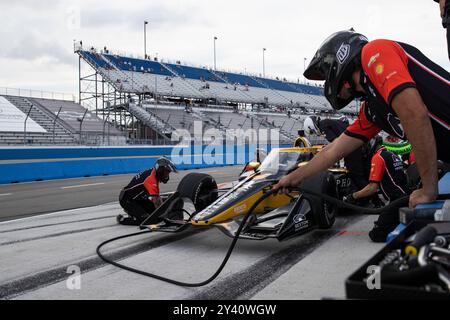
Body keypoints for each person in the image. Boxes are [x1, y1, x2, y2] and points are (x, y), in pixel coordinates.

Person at [274, 29, 450, 209]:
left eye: (326, 76)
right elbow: (333, 151)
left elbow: (414, 114)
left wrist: (428, 189)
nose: (327, 83)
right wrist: (293, 177)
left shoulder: (374, 52)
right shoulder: (372, 109)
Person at [343, 136, 411, 241]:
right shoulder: (391, 154)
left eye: (365, 145)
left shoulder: (378, 157)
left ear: (372, 143)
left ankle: (409, 233)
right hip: (405, 197)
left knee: (376, 234)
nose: (363, 148)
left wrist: (353, 196)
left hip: (397, 200)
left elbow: (372, 188)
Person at [117, 157, 178, 226]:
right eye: (167, 172)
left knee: (154, 214)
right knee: (147, 220)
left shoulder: (153, 173)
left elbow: (156, 199)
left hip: (139, 198)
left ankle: (134, 212)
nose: (167, 175)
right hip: (127, 200)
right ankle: (122, 219)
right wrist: (167, 217)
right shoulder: (151, 179)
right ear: (160, 170)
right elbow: (157, 202)